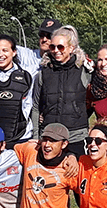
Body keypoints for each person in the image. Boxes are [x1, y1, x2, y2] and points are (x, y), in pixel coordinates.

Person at [34, 26, 91, 156]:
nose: (56, 51)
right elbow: (36, 107)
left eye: (60, 47)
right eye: (52, 47)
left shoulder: (83, 71)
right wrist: (36, 136)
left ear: (71, 48)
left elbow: (93, 98)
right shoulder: (43, 73)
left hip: (76, 136)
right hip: (49, 137)